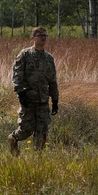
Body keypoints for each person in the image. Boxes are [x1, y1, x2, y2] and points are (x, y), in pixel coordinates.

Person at [8, 27, 59, 155]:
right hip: (28, 99)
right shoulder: (25, 55)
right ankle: (13, 138)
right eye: (40, 35)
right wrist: (20, 93)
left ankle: (38, 159)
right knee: (26, 130)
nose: (43, 38)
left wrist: (55, 99)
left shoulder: (49, 58)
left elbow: (52, 80)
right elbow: (16, 75)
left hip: (42, 99)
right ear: (33, 38)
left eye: (45, 35)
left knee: (42, 132)